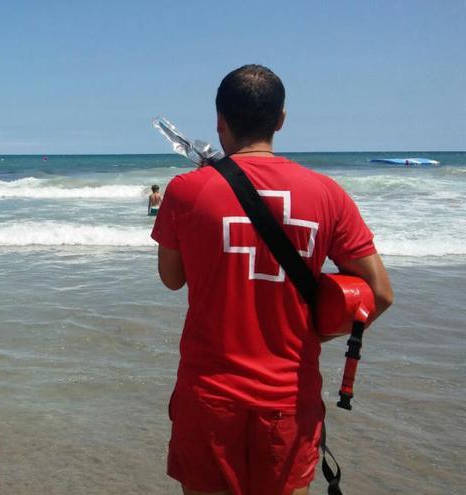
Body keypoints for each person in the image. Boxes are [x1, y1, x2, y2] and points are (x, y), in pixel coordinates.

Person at [151, 65, 393, 495]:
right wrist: (319, 330)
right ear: (281, 119)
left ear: (219, 121)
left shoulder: (186, 190)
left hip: (209, 396)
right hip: (288, 396)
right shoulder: (326, 193)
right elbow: (379, 293)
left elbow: (171, 279)